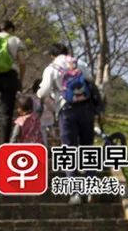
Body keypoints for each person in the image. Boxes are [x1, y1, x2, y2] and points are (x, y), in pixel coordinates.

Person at [36, 43, 95, 204]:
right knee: (87, 148)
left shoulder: (51, 67)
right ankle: (90, 189)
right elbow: (90, 79)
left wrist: (39, 92)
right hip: (86, 109)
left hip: (66, 110)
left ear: (52, 55)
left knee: (68, 150)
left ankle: (75, 194)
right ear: (67, 52)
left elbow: (44, 91)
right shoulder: (79, 63)